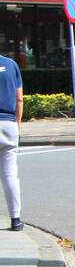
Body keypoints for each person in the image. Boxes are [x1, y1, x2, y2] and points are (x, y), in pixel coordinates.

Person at [0, 51, 23, 231]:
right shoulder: (11, 64)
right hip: (8, 124)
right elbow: (19, 98)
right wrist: (17, 125)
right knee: (9, 175)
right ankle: (15, 219)